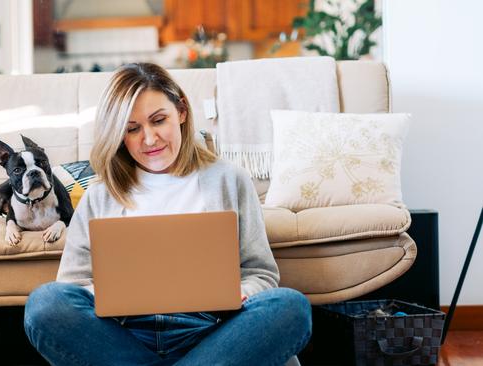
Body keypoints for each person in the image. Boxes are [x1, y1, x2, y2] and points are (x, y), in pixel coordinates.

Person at [24, 63, 311, 366]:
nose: (149, 139)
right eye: (132, 129)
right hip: (125, 336)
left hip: (214, 332)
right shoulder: (99, 196)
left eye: (158, 120)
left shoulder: (230, 180)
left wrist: (240, 293)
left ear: (182, 112)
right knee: (45, 304)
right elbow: (72, 287)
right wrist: (110, 294)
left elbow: (261, 273)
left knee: (290, 307)